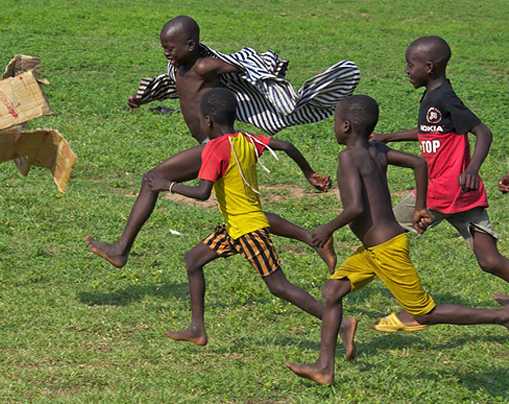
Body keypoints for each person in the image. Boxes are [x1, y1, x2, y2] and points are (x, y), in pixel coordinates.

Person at [86, 15, 360, 268]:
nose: (166, 53)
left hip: (214, 146)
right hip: (221, 145)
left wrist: (264, 69)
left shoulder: (204, 65)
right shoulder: (179, 67)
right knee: (246, 215)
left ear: (191, 45)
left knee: (151, 179)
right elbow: (182, 91)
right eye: (164, 48)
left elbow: (241, 67)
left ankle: (121, 249)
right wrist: (144, 97)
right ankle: (314, 238)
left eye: (170, 48)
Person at [285, 94, 509, 385]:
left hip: (385, 249)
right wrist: (419, 206)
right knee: (332, 292)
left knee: (426, 313)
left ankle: (501, 317)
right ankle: (324, 368)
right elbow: (419, 163)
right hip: (374, 248)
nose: (335, 127)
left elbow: (355, 208)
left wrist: (328, 228)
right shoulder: (377, 149)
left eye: (336, 122)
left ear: (347, 127)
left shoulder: (348, 157)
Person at [146, 88, 358, 356]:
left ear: (208, 121)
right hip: (235, 228)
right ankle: (197, 329)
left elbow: (202, 193)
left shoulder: (213, 149)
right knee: (193, 260)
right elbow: (287, 146)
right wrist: (308, 173)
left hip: (248, 230)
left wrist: (169, 185)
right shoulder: (246, 140)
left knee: (280, 287)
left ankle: (342, 324)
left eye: (201, 120)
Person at [369, 36, 509, 328]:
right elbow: (429, 132)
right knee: (489, 261)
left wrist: (472, 168)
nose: (407, 71)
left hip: (443, 191)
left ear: (429, 67)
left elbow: (483, 132)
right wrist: (387, 137)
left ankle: (403, 306)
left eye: (410, 65)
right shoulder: (433, 97)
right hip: (459, 195)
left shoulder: (444, 97)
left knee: (383, 234)